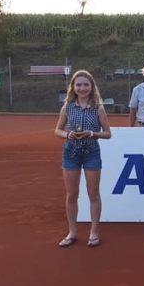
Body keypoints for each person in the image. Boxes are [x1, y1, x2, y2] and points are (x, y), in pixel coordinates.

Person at [54, 70, 112, 247]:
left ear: (92, 86)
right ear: (73, 87)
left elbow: (108, 133)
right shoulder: (67, 107)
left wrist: (92, 133)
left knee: (93, 194)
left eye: (86, 84)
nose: (82, 88)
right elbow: (57, 130)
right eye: (78, 84)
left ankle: (94, 231)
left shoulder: (98, 108)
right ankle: (72, 232)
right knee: (72, 194)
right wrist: (68, 134)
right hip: (70, 152)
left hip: (91, 152)